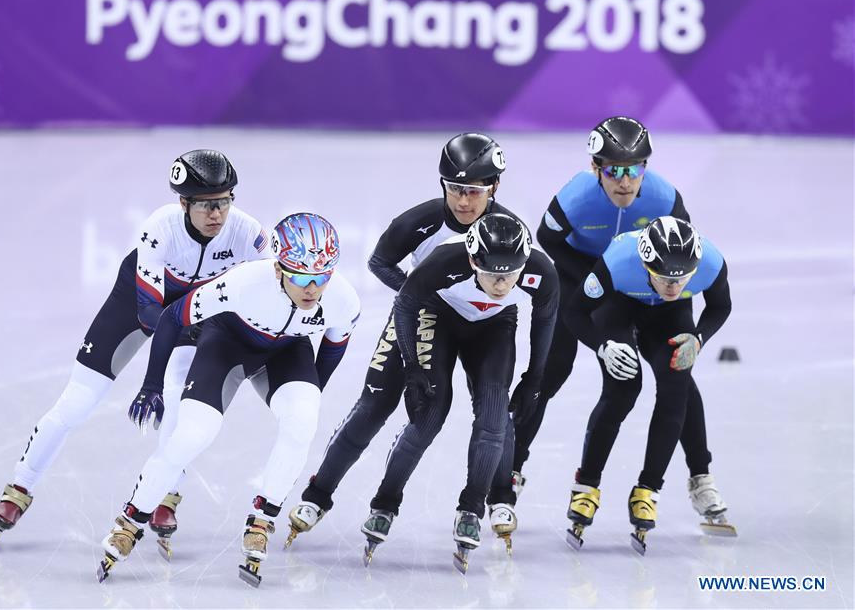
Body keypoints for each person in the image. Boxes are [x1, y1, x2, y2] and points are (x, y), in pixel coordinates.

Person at [0, 150, 269, 551]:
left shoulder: (248, 233)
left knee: (179, 402)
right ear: (183, 203)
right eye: (206, 205)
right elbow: (152, 313)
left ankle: (166, 495)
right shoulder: (160, 228)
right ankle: (19, 487)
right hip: (143, 303)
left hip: (198, 307)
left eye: (224, 202)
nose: (217, 214)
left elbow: (271, 291)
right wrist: (153, 374)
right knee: (78, 401)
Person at [96, 213, 360, 587]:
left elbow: (333, 347)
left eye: (322, 277)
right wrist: (152, 384)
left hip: (286, 353)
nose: (312, 289)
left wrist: (312, 393)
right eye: (301, 278)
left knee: (303, 420)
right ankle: (131, 519)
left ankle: (262, 520)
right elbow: (172, 318)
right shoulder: (242, 283)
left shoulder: (343, 299)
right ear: (278, 269)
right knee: (193, 434)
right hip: (226, 345)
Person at [284, 133, 514, 546]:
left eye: (474, 192)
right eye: (454, 189)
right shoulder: (420, 221)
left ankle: (491, 496)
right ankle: (318, 494)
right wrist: (419, 292)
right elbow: (379, 262)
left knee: (494, 409)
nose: (463, 202)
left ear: (494, 186)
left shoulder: (508, 232)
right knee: (375, 404)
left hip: (485, 323)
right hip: (426, 314)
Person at [503, 116, 730, 531]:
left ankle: (701, 477)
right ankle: (511, 469)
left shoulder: (665, 198)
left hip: (651, 281)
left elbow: (679, 259)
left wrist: (696, 336)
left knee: (678, 374)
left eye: (634, 169)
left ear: (646, 167)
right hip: (590, 279)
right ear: (596, 168)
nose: (625, 182)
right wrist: (598, 280)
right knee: (553, 370)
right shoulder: (575, 197)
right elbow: (548, 240)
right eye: (613, 171)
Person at [359, 213, 558, 573]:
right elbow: (405, 305)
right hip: (441, 318)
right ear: (472, 261)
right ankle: (385, 502)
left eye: (510, 275)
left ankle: (471, 508)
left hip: (495, 327)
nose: (502, 284)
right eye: (493, 274)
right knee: (429, 415)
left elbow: (545, 320)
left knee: (494, 417)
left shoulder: (541, 271)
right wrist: (412, 367)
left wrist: (535, 377)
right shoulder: (444, 261)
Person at [562, 216, 732, 554]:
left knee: (676, 383)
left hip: (670, 316)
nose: (672, 286)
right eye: (664, 278)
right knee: (623, 386)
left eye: (681, 279)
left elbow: (721, 306)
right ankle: (586, 486)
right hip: (619, 305)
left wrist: (699, 339)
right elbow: (574, 313)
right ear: (645, 264)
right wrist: (602, 346)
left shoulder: (711, 262)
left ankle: (648, 490)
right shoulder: (618, 261)